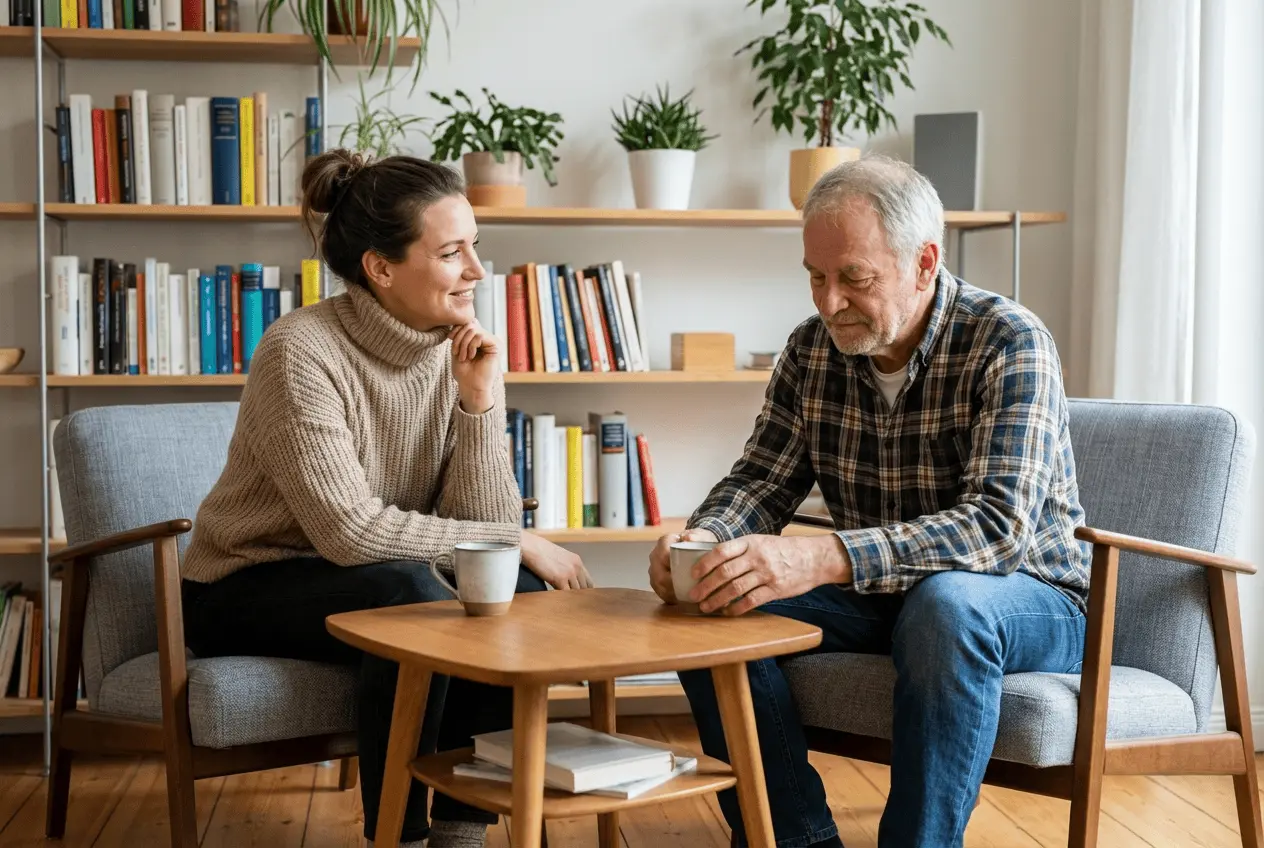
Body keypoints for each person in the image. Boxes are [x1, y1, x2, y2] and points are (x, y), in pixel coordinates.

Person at [648, 154, 1090, 848]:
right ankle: (793, 838)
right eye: (816, 278)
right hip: (881, 594)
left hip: (1027, 598)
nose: (828, 304)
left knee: (947, 603)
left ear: (923, 263)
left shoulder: (1010, 340)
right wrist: (703, 543)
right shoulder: (811, 350)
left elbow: (997, 531)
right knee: (715, 596)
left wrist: (825, 556)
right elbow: (761, 480)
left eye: (854, 278)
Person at [180, 149, 592, 848]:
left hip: (375, 578)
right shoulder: (299, 351)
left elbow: (482, 526)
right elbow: (348, 533)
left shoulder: (461, 351)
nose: (477, 273)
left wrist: (478, 401)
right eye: (452, 253)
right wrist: (517, 538)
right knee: (413, 589)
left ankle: (462, 834)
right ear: (380, 267)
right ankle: (396, 833)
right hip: (244, 585)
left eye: (476, 249)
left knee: (506, 587)